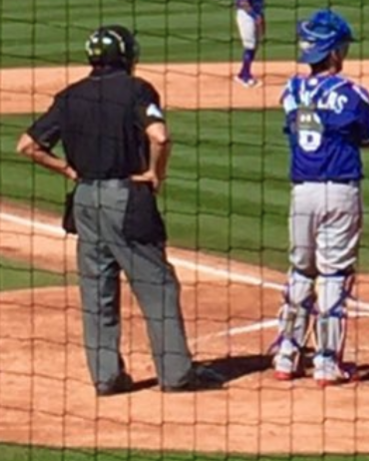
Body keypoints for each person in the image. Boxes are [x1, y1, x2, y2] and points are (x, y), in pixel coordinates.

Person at [15, 25, 226, 395]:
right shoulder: (136, 89)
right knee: (157, 285)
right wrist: (153, 174)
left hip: (84, 201)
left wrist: (66, 169)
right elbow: (160, 135)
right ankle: (176, 374)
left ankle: (106, 377)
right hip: (126, 198)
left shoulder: (70, 96)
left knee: (97, 290)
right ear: (127, 56)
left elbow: (27, 146)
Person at [271, 9, 369, 386]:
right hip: (339, 191)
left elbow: (295, 122)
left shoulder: (291, 90)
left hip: (301, 192)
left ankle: (286, 356)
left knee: (301, 271)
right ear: (333, 52)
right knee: (334, 275)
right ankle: (326, 363)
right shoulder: (351, 93)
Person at [234, 0, 265, 88]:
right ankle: (245, 77)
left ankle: (242, 73)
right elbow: (242, 1)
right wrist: (254, 15)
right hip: (245, 15)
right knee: (250, 45)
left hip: (256, 14)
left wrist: (261, 17)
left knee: (255, 46)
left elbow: (259, 2)